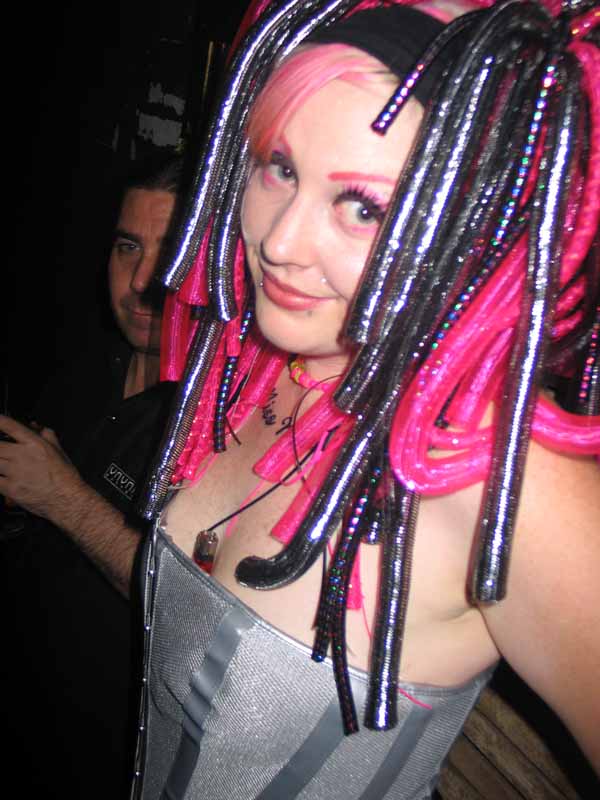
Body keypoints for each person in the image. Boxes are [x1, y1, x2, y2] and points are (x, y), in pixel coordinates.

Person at [130, 1, 599, 798]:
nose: (279, 241)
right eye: (279, 167)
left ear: (463, 226)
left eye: (362, 206)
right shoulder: (255, 370)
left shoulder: (496, 476)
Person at [0, 155, 181, 798]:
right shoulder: (84, 367)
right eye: (128, 247)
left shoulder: (216, 430)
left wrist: (62, 498)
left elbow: (184, 608)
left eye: (170, 252)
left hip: (108, 756)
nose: (141, 281)